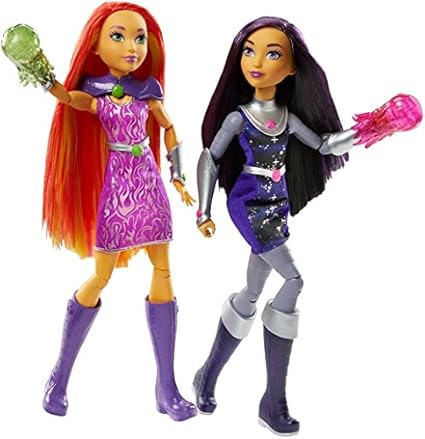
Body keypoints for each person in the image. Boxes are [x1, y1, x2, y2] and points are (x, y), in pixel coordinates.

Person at [193, 16, 421, 435]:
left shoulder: (287, 116)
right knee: (294, 279)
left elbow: (323, 144)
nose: (257, 61)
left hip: (276, 205)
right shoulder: (239, 118)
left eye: (272, 54)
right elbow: (210, 156)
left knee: (252, 292)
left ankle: (207, 376)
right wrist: (203, 210)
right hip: (248, 203)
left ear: (292, 68)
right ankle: (273, 401)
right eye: (249, 51)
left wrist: (372, 128)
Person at [2, 2, 197, 422]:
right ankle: (59, 377)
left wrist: (178, 174)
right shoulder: (95, 91)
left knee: (163, 270)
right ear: (95, 45)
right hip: (119, 189)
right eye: (119, 36)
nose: (132, 47)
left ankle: (166, 387)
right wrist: (40, 71)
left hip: (149, 185)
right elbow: (66, 98)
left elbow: (168, 127)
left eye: (139, 38)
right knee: (101, 276)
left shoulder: (147, 90)